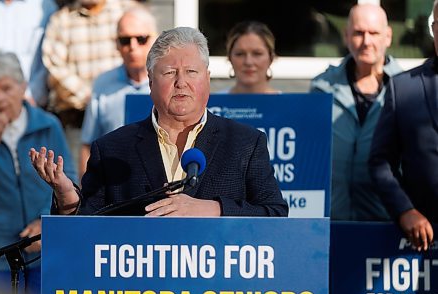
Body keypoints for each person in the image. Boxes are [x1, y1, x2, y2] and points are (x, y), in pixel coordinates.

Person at [30, 27, 288, 218]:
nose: (181, 82)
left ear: (207, 79)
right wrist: (66, 196)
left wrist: (212, 208)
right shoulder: (111, 149)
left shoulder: (246, 143)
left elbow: (275, 213)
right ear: (151, 82)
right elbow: (88, 224)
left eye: (191, 72)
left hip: (219, 288)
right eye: (169, 73)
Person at [0, 51, 77, 294]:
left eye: (7, 88)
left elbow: (70, 179)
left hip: (44, 247)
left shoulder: (47, 124)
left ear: (22, 86)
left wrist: (46, 221)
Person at [310, 3, 402, 221]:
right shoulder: (322, 87)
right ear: (346, 35)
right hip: (333, 221)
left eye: (374, 33)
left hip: (388, 223)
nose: (366, 42)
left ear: (388, 36)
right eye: (359, 33)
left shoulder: (406, 88)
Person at [369, 2, 438, 252]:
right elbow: (380, 161)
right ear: (433, 29)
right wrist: (404, 209)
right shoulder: (404, 88)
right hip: (421, 240)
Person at [42, 0, 135, 168]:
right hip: (76, 118)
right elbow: (54, 66)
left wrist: (104, 96)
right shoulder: (62, 20)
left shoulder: (126, 11)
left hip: (118, 117)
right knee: (77, 182)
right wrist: (92, 96)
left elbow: (142, 56)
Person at [80, 5, 157, 177]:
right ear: (116, 43)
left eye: (141, 39)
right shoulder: (103, 84)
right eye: (125, 40)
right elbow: (87, 144)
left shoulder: (169, 82)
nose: (133, 46)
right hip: (110, 184)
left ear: (155, 40)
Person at [224, 20, 279, 94]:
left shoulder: (288, 104)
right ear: (230, 58)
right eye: (240, 54)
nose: (248, 62)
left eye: (257, 54)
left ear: (271, 58)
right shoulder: (210, 104)